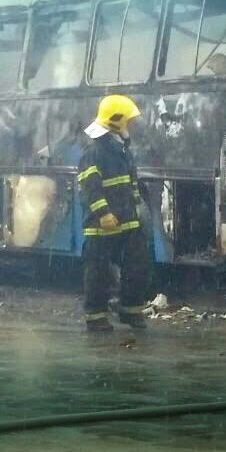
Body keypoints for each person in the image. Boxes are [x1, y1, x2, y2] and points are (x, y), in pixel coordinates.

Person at [77, 94, 151, 332]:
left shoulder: (121, 149)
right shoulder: (95, 152)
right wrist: (104, 213)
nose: (129, 125)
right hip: (102, 225)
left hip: (128, 222)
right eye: (127, 121)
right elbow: (90, 188)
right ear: (116, 121)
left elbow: (130, 184)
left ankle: (131, 310)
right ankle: (95, 317)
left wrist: (137, 209)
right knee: (97, 272)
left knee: (136, 267)